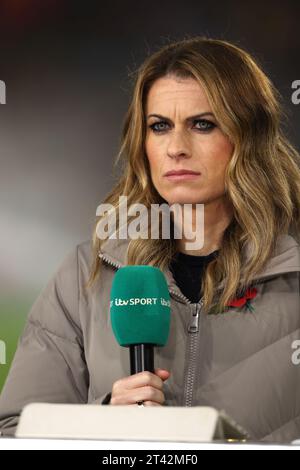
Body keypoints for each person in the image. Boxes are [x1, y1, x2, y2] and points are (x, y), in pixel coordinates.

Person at [0, 36, 299, 443]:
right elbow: (14, 434)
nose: (176, 148)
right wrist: (102, 420)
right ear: (142, 145)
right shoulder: (84, 277)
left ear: (248, 138)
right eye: (159, 126)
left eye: (203, 124)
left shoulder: (292, 275)